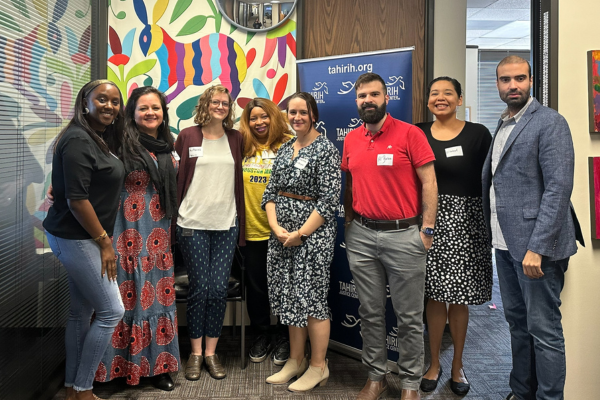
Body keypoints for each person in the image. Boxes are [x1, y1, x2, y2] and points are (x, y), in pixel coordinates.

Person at [482, 56, 583, 400]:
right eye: (505, 80)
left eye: (519, 79)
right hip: (504, 243)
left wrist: (537, 248)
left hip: (535, 250)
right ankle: (521, 392)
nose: (513, 86)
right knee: (518, 326)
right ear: (497, 84)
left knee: (544, 331)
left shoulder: (549, 122)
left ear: (531, 81)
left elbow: (558, 188)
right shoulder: (504, 123)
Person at [342, 72, 437, 400]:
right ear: (356, 102)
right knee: (369, 311)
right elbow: (350, 184)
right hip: (362, 236)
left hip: (405, 236)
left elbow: (430, 183)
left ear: (387, 98)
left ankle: (410, 383)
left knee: (409, 317)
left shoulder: (411, 134)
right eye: (361, 96)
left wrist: (426, 231)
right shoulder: (352, 139)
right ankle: (376, 377)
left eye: (373, 94)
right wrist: (350, 223)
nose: (367, 100)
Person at [43, 80, 126, 400]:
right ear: (85, 102)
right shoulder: (79, 138)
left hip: (81, 236)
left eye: (115, 101)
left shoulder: (96, 137)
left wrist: (57, 188)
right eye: (101, 99)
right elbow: (78, 200)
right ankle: (83, 390)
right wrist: (105, 243)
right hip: (77, 237)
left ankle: (71, 389)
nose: (109, 106)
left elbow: (69, 182)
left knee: (80, 313)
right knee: (110, 311)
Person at [94, 86, 180, 391]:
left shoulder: (167, 144)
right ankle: (113, 372)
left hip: (158, 234)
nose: (150, 113)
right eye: (143, 108)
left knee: (157, 299)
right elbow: (91, 174)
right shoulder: (115, 142)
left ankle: (159, 369)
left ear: (163, 112)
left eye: (155, 108)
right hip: (124, 232)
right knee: (122, 300)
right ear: (132, 112)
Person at [416, 77, 493, 396]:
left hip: (467, 223)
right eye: (434, 93)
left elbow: (491, 178)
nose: (440, 98)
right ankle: (433, 363)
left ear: (459, 99)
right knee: (433, 295)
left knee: (460, 298)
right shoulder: (417, 132)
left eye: (448, 93)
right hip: (430, 221)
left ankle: (457, 365)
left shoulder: (478, 134)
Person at [261, 92, 341, 392]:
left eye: (302, 112)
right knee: (291, 297)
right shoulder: (285, 148)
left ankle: (319, 365)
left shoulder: (325, 150)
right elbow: (270, 192)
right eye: (291, 112)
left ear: (313, 114)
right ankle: (296, 360)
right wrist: (276, 227)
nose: (296, 117)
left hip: (312, 237)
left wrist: (300, 234)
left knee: (312, 299)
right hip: (281, 235)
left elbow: (328, 201)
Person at [175, 85, 245, 381]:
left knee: (217, 290)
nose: (220, 106)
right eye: (215, 101)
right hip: (192, 224)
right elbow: (174, 175)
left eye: (225, 103)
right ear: (205, 104)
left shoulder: (236, 138)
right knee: (199, 290)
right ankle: (194, 353)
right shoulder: (188, 136)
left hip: (226, 224)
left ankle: (211, 353)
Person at [239, 98, 293, 365]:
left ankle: (284, 336)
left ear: (273, 116)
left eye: (264, 116)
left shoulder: (289, 144)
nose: (259, 122)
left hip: (283, 231)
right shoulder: (242, 145)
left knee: (283, 287)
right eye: (253, 118)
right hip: (253, 230)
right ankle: (261, 334)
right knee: (257, 289)